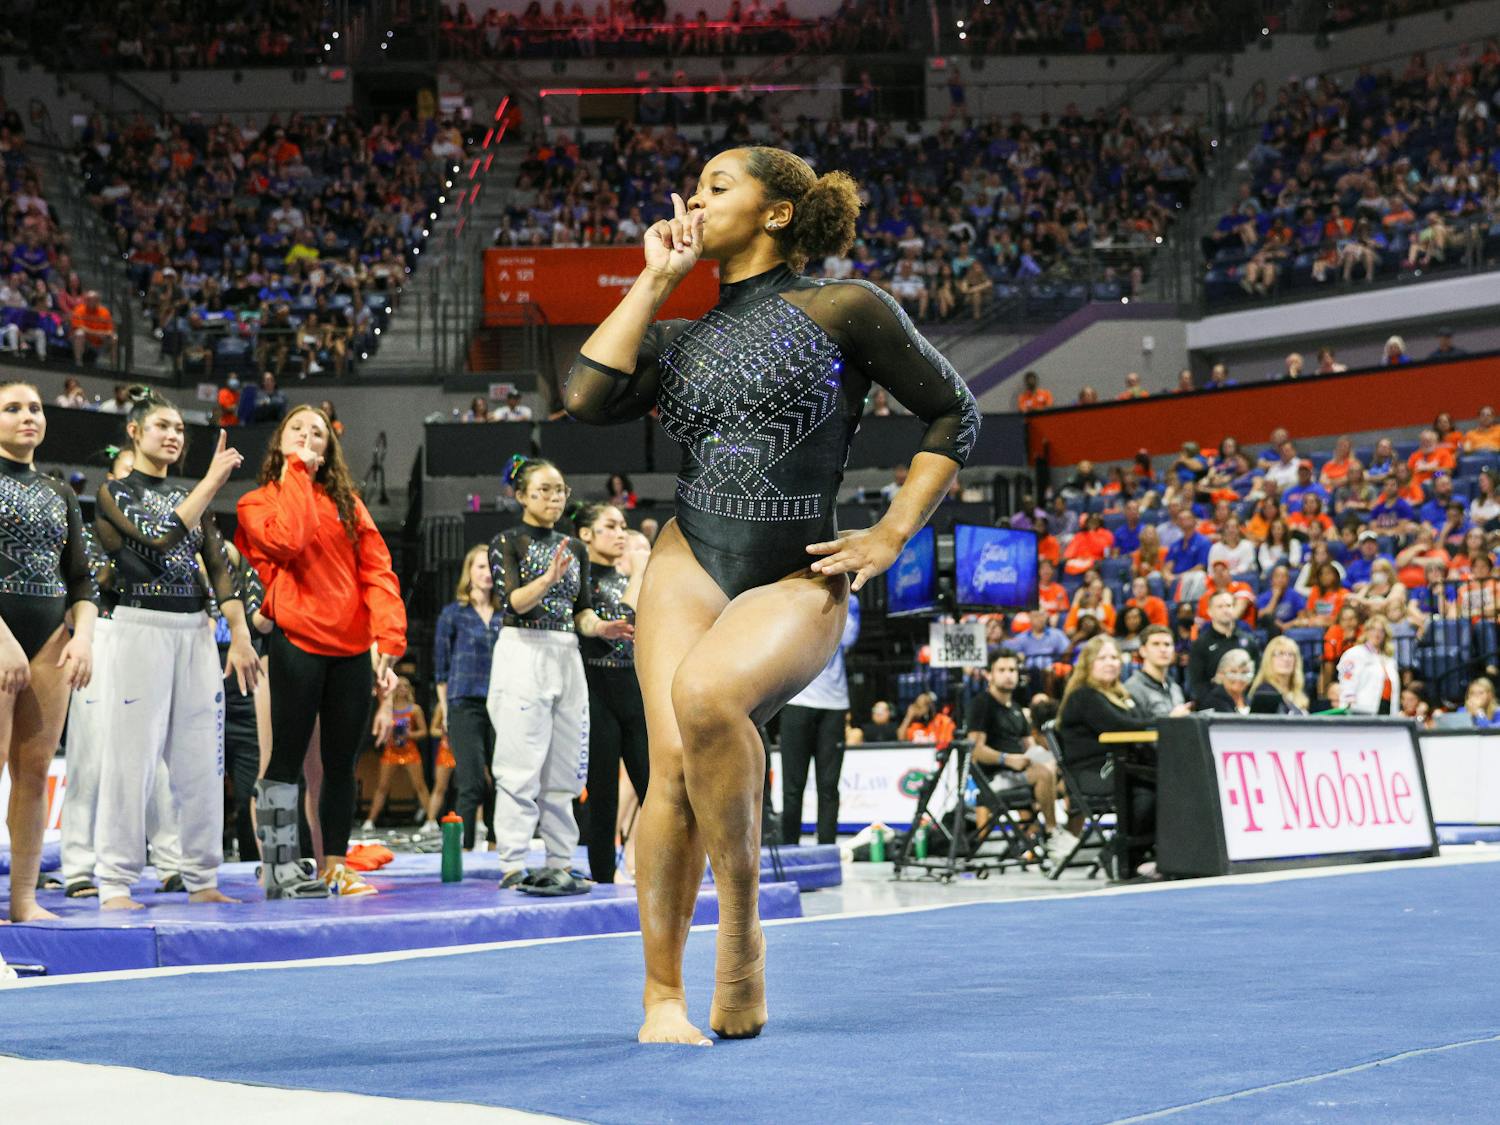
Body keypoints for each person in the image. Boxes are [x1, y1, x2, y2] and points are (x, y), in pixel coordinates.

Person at [563, 147, 978, 1044]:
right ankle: (661, 996)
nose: (695, 199)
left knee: (710, 697)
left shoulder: (845, 308)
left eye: (717, 186)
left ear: (778, 212)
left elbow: (956, 412)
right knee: (668, 762)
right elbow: (585, 395)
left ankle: (742, 932)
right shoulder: (679, 337)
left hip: (799, 567)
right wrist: (654, 279)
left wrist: (891, 533)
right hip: (689, 554)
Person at [92, 388, 258, 910]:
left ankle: (202, 876)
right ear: (135, 433)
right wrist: (211, 483)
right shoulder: (113, 493)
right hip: (140, 626)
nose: (173, 435)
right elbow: (160, 538)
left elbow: (219, 570)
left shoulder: (191, 494)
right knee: (130, 760)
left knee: (200, 763)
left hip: (195, 632)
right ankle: (115, 881)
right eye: (162, 426)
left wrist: (242, 634)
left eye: (180, 429)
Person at [237, 405, 407, 898]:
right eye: (298, 430)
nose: (309, 438)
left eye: (318, 433)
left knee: (340, 765)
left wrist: (389, 641)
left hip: (352, 647)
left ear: (330, 449)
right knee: (285, 760)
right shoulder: (256, 502)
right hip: (297, 641)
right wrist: (296, 473)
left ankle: (335, 865)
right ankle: (279, 868)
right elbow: (289, 541)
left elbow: (377, 572)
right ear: (280, 442)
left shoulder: (350, 505)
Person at [487, 458, 633, 895]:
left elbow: (582, 611)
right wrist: (549, 578)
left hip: (566, 652)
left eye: (559, 490)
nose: (553, 498)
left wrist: (601, 627)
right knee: (519, 765)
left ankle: (560, 860)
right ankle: (513, 861)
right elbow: (513, 602)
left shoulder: (577, 548)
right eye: (544, 490)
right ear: (521, 495)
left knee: (565, 768)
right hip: (521, 649)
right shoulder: (506, 542)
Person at [60, 445, 188, 898]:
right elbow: (92, 580)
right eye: (126, 473)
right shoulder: (93, 528)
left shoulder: (169, 527)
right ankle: (78, 865)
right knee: (90, 754)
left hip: (150, 635)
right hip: (104, 633)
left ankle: (170, 860)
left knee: (153, 755)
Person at [0, 381, 97, 922]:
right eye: (12, 409)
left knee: (34, 773)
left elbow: (82, 582)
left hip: (49, 644)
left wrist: (83, 636)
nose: (27, 416)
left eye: (34, 408)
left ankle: (23, 901)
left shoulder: (59, 492)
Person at [576, 504, 652, 883]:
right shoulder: (580, 577)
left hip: (635, 692)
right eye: (611, 526)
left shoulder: (630, 578)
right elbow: (622, 624)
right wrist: (639, 572)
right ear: (586, 534)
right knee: (603, 791)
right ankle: (603, 874)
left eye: (624, 526)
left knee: (653, 787)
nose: (621, 533)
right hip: (595, 690)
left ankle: (663, 869)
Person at [1057, 635, 1154, 858]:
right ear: (1088, 664)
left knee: (1162, 778)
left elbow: (1140, 720)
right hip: (1092, 773)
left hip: (1117, 765)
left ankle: (1148, 851)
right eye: (1102, 658)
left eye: (1114, 657)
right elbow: (1122, 726)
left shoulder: (1120, 695)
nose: (1110, 663)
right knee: (1147, 788)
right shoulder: (1084, 696)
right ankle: (1121, 854)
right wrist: (1167, 719)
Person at [965, 649, 1068, 856]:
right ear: (989, 675)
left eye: (1012, 669)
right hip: (994, 777)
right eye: (1001, 670)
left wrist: (1048, 760)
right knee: (1043, 774)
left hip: (1020, 771)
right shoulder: (982, 704)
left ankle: (1033, 837)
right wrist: (1007, 759)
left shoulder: (1016, 709)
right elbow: (975, 751)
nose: (1008, 674)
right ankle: (1051, 833)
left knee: (1067, 774)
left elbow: (1030, 747)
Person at [432, 545, 502, 851]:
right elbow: (441, 668)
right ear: (469, 572)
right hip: (464, 701)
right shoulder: (453, 614)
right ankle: (465, 849)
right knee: (471, 781)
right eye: (480, 567)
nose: (487, 574)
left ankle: (497, 845)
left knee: (503, 779)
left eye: (491, 568)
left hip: (502, 701)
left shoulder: (506, 613)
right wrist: (446, 710)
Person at [778, 591, 860, 848]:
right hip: (797, 701)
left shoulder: (850, 600)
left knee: (828, 787)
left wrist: (839, 596)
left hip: (834, 704)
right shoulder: (794, 595)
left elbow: (847, 638)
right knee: (792, 788)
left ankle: (827, 849)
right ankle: (790, 848)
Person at [361, 677, 432, 834]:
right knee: (382, 787)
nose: (402, 689)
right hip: (391, 751)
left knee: (420, 786)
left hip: (410, 751)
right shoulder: (387, 709)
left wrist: (409, 734)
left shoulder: (415, 710)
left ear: (410, 689)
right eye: (399, 686)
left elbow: (424, 732)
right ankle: (369, 821)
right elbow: (378, 729)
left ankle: (431, 820)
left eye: (406, 686)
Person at [1187, 590, 1260, 698]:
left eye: (1229, 605)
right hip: (1214, 705)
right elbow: (1196, 684)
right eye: (1220, 607)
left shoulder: (1249, 641)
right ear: (1209, 611)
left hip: (1245, 703)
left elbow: (1258, 676)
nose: (1225, 610)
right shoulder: (1200, 645)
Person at [1336, 615, 1400, 714]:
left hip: (1387, 709)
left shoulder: (1389, 660)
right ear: (1366, 632)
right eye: (1373, 629)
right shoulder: (1355, 653)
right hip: (1362, 709)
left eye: (1381, 630)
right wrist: (1349, 705)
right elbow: (1347, 681)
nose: (1377, 634)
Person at [1125, 625, 1189, 719]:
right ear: (1143, 651)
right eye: (1156, 644)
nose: (1163, 649)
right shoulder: (1132, 689)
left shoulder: (1175, 688)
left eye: (1167, 644)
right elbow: (1135, 729)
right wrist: (1170, 720)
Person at [1250, 635, 1309, 714]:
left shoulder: (1299, 692)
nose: (1286, 659)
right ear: (1269, 659)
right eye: (1280, 654)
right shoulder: (1265, 692)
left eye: (1290, 654)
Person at [1194, 648, 1254, 714]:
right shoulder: (1212, 702)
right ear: (1221, 674)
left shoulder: (1251, 699)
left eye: (1244, 672)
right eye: (1233, 672)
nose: (1238, 678)